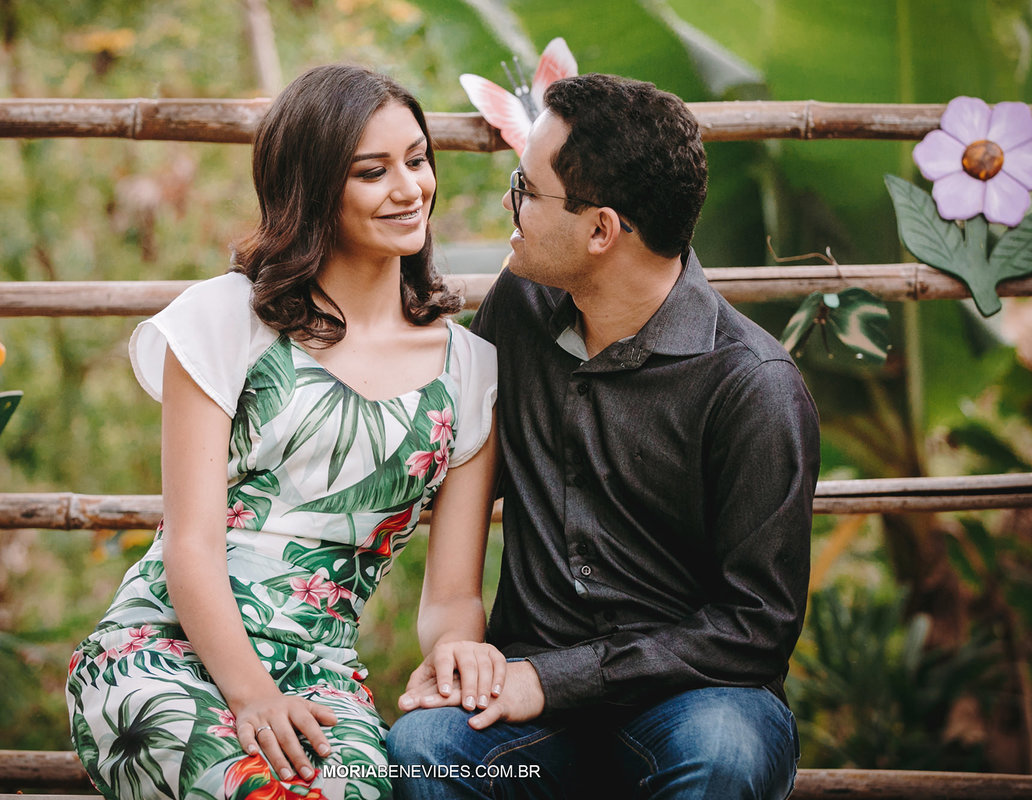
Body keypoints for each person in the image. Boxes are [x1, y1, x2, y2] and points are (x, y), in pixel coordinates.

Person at [66, 64, 503, 800]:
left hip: (321, 676)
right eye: (373, 172)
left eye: (417, 160)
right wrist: (252, 696)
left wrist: (458, 650)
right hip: (164, 653)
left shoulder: (469, 369)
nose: (409, 189)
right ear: (312, 188)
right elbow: (191, 544)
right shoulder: (224, 320)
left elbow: (452, 596)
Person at [387, 74, 820, 799]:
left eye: (527, 189)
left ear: (601, 231)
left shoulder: (753, 386)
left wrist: (551, 680)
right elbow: (450, 452)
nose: (509, 205)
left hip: (697, 701)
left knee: (722, 756)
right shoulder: (519, 309)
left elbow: (756, 627)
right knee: (425, 750)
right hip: (530, 712)